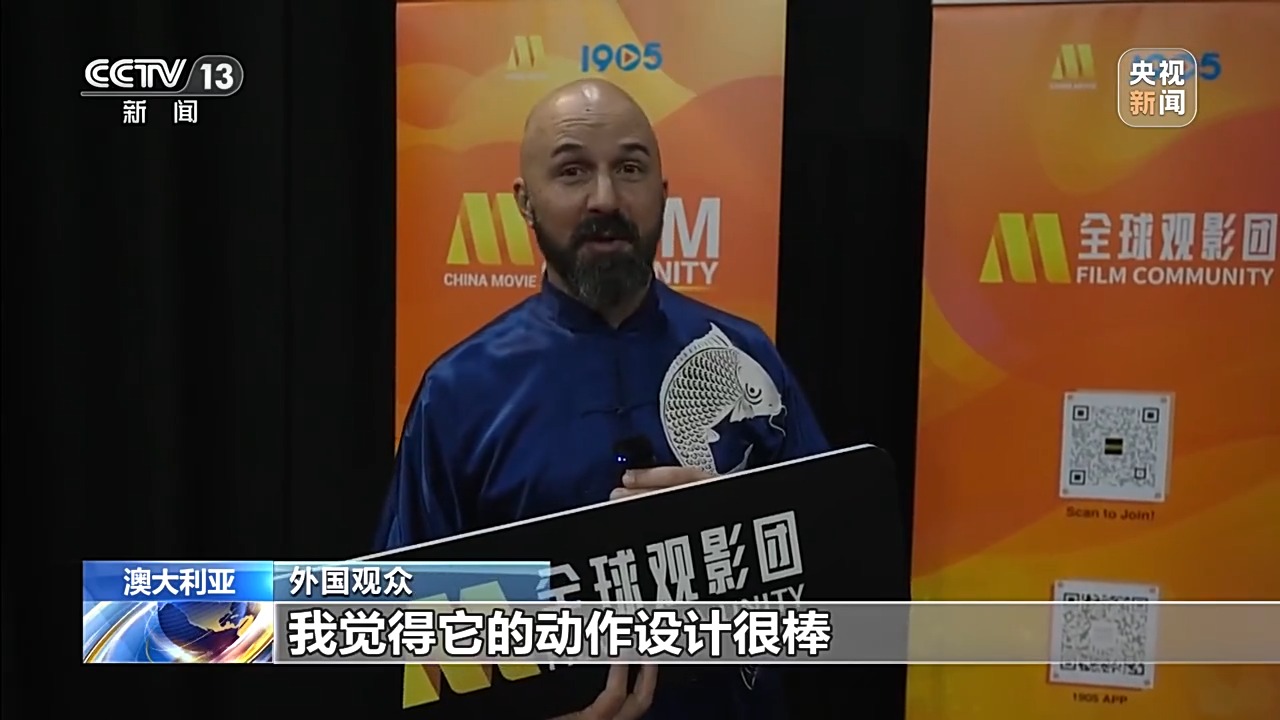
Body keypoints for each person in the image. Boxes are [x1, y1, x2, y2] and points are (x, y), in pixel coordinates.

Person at [377, 79, 828, 719]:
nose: (606, 199)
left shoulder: (746, 358)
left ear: (663, 193)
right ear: (525, 202)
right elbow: (399, 632)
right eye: (572, 171)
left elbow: (840, 587)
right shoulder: (457, 394)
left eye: (630, 169)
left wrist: (735, 535)